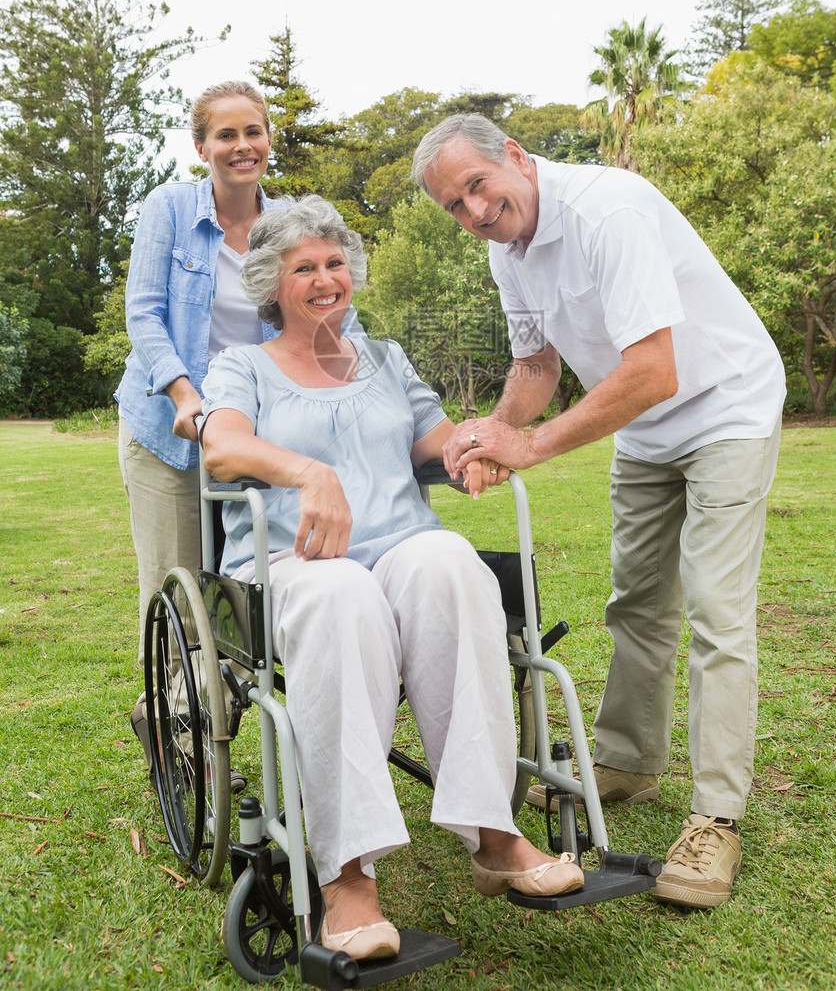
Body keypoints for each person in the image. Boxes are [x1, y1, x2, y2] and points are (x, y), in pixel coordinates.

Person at [412, 113, 785, 910]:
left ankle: (716, 817)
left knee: (718, 613)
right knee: (637, 603)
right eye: (455, 205)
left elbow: (654, 368)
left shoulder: (607, 210)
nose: (474, 211)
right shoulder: (504, 250)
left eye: (477, 185)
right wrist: (494, 434)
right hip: (645, 430)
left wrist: (534, 446)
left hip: (727, 408)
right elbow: (535, 360)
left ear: (513, 156)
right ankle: (624, 759)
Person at [200, 196, 584, 962]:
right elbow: (221, 447)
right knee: (344, 595)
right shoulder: (240, 364)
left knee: (453, 565)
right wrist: (308, 471)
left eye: (336, 262)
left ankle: (494, 834)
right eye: (304, 267)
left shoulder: (386, 358)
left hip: (400, 544)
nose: (323, 278)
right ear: (274, 283)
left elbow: (436, 440)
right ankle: (347, 874)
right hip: (293, 560)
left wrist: (476, 448)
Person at [116, 80, 363, 780]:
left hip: (257, 432)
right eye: (225, 135)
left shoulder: (291, 221)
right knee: (182, 591)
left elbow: (328, 309)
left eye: (252, 132)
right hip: (173, 429)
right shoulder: (169, 208)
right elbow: (144, 315)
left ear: (268, 139)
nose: (242, 146)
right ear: (202, 147)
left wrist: (362, 384)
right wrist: (186, 394)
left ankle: (201, 713)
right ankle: (178, 727)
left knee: (244, 587)